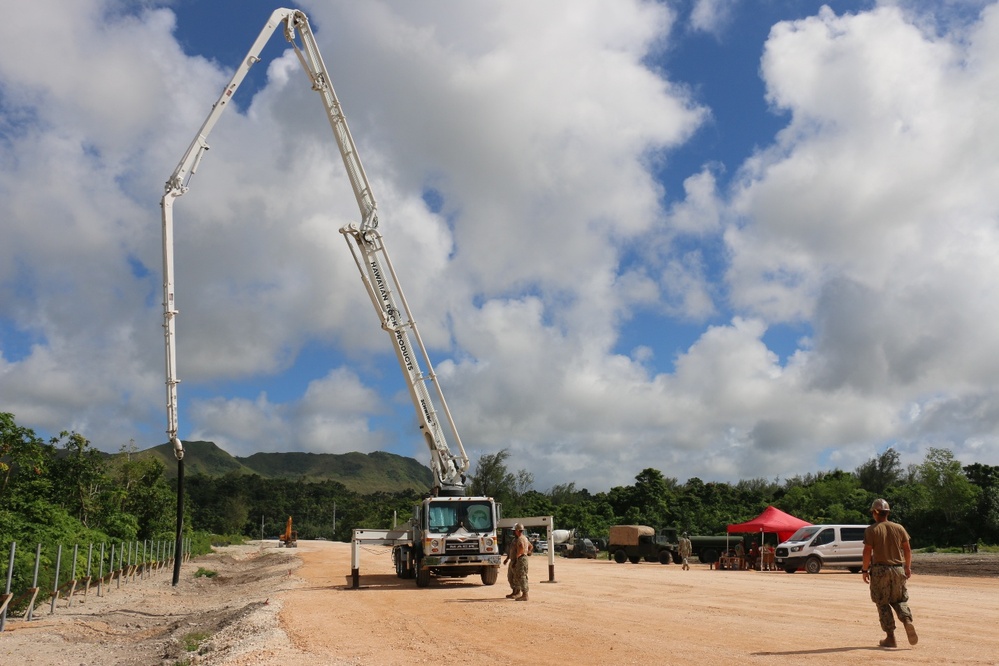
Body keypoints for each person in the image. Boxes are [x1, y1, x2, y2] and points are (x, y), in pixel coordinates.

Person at [862, 499, 918, 649]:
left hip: (880, 570)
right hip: (898, 569)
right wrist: (907, 567)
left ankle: (890, 637)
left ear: (875, 513)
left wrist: (864, 570)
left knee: (882, 602)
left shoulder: (871, 530)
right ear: (888, 513)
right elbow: (907, 549)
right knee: (899, 599)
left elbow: (867, 551)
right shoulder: (899, 528)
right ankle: (906, 620)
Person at [510, 523, 533, 601]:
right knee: (521, 575)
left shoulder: (520, 539)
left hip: (521, 558)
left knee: (521, 576)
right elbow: (530, 546)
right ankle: (522, 593)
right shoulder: (525, 538)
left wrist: (517, 557)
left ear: (518, 530)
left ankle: (525, 595)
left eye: (515, 530)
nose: (514, 532)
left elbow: (521, 548)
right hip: (524, 558)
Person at [503, 528, 520, 599]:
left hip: (517, 561)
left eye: (514, 531)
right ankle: (514, 592)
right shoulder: (514, 540)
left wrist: (516, 561)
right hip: (512, 560)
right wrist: (507, 559)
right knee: (510, 577)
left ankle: (518, 592)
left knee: (516, 577)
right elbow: (511, 551)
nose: (512, 532)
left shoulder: (521, 539)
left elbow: (528, 547)